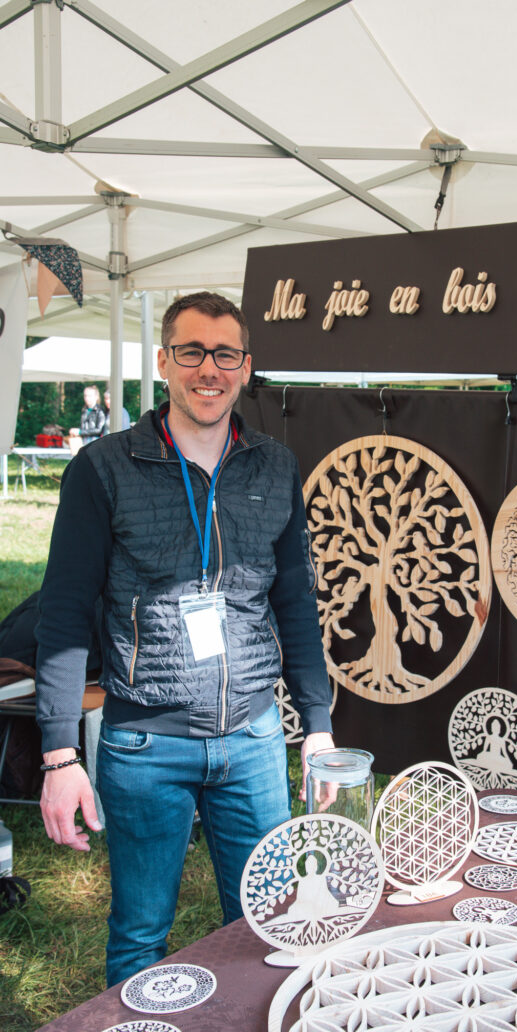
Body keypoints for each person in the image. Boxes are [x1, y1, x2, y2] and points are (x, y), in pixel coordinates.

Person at [35, 291, 334, 986]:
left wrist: (315, 724)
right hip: (145, 742)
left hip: (254, 739)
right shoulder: (104, 468)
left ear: (246, 368)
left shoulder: (275, 467)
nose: (210, 369)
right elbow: (65, 611)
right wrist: (57, 754)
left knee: (268, 924)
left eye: (225, 354)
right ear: (165, 361)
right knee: (140, 936)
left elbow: (295, 601)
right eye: (193, 352)